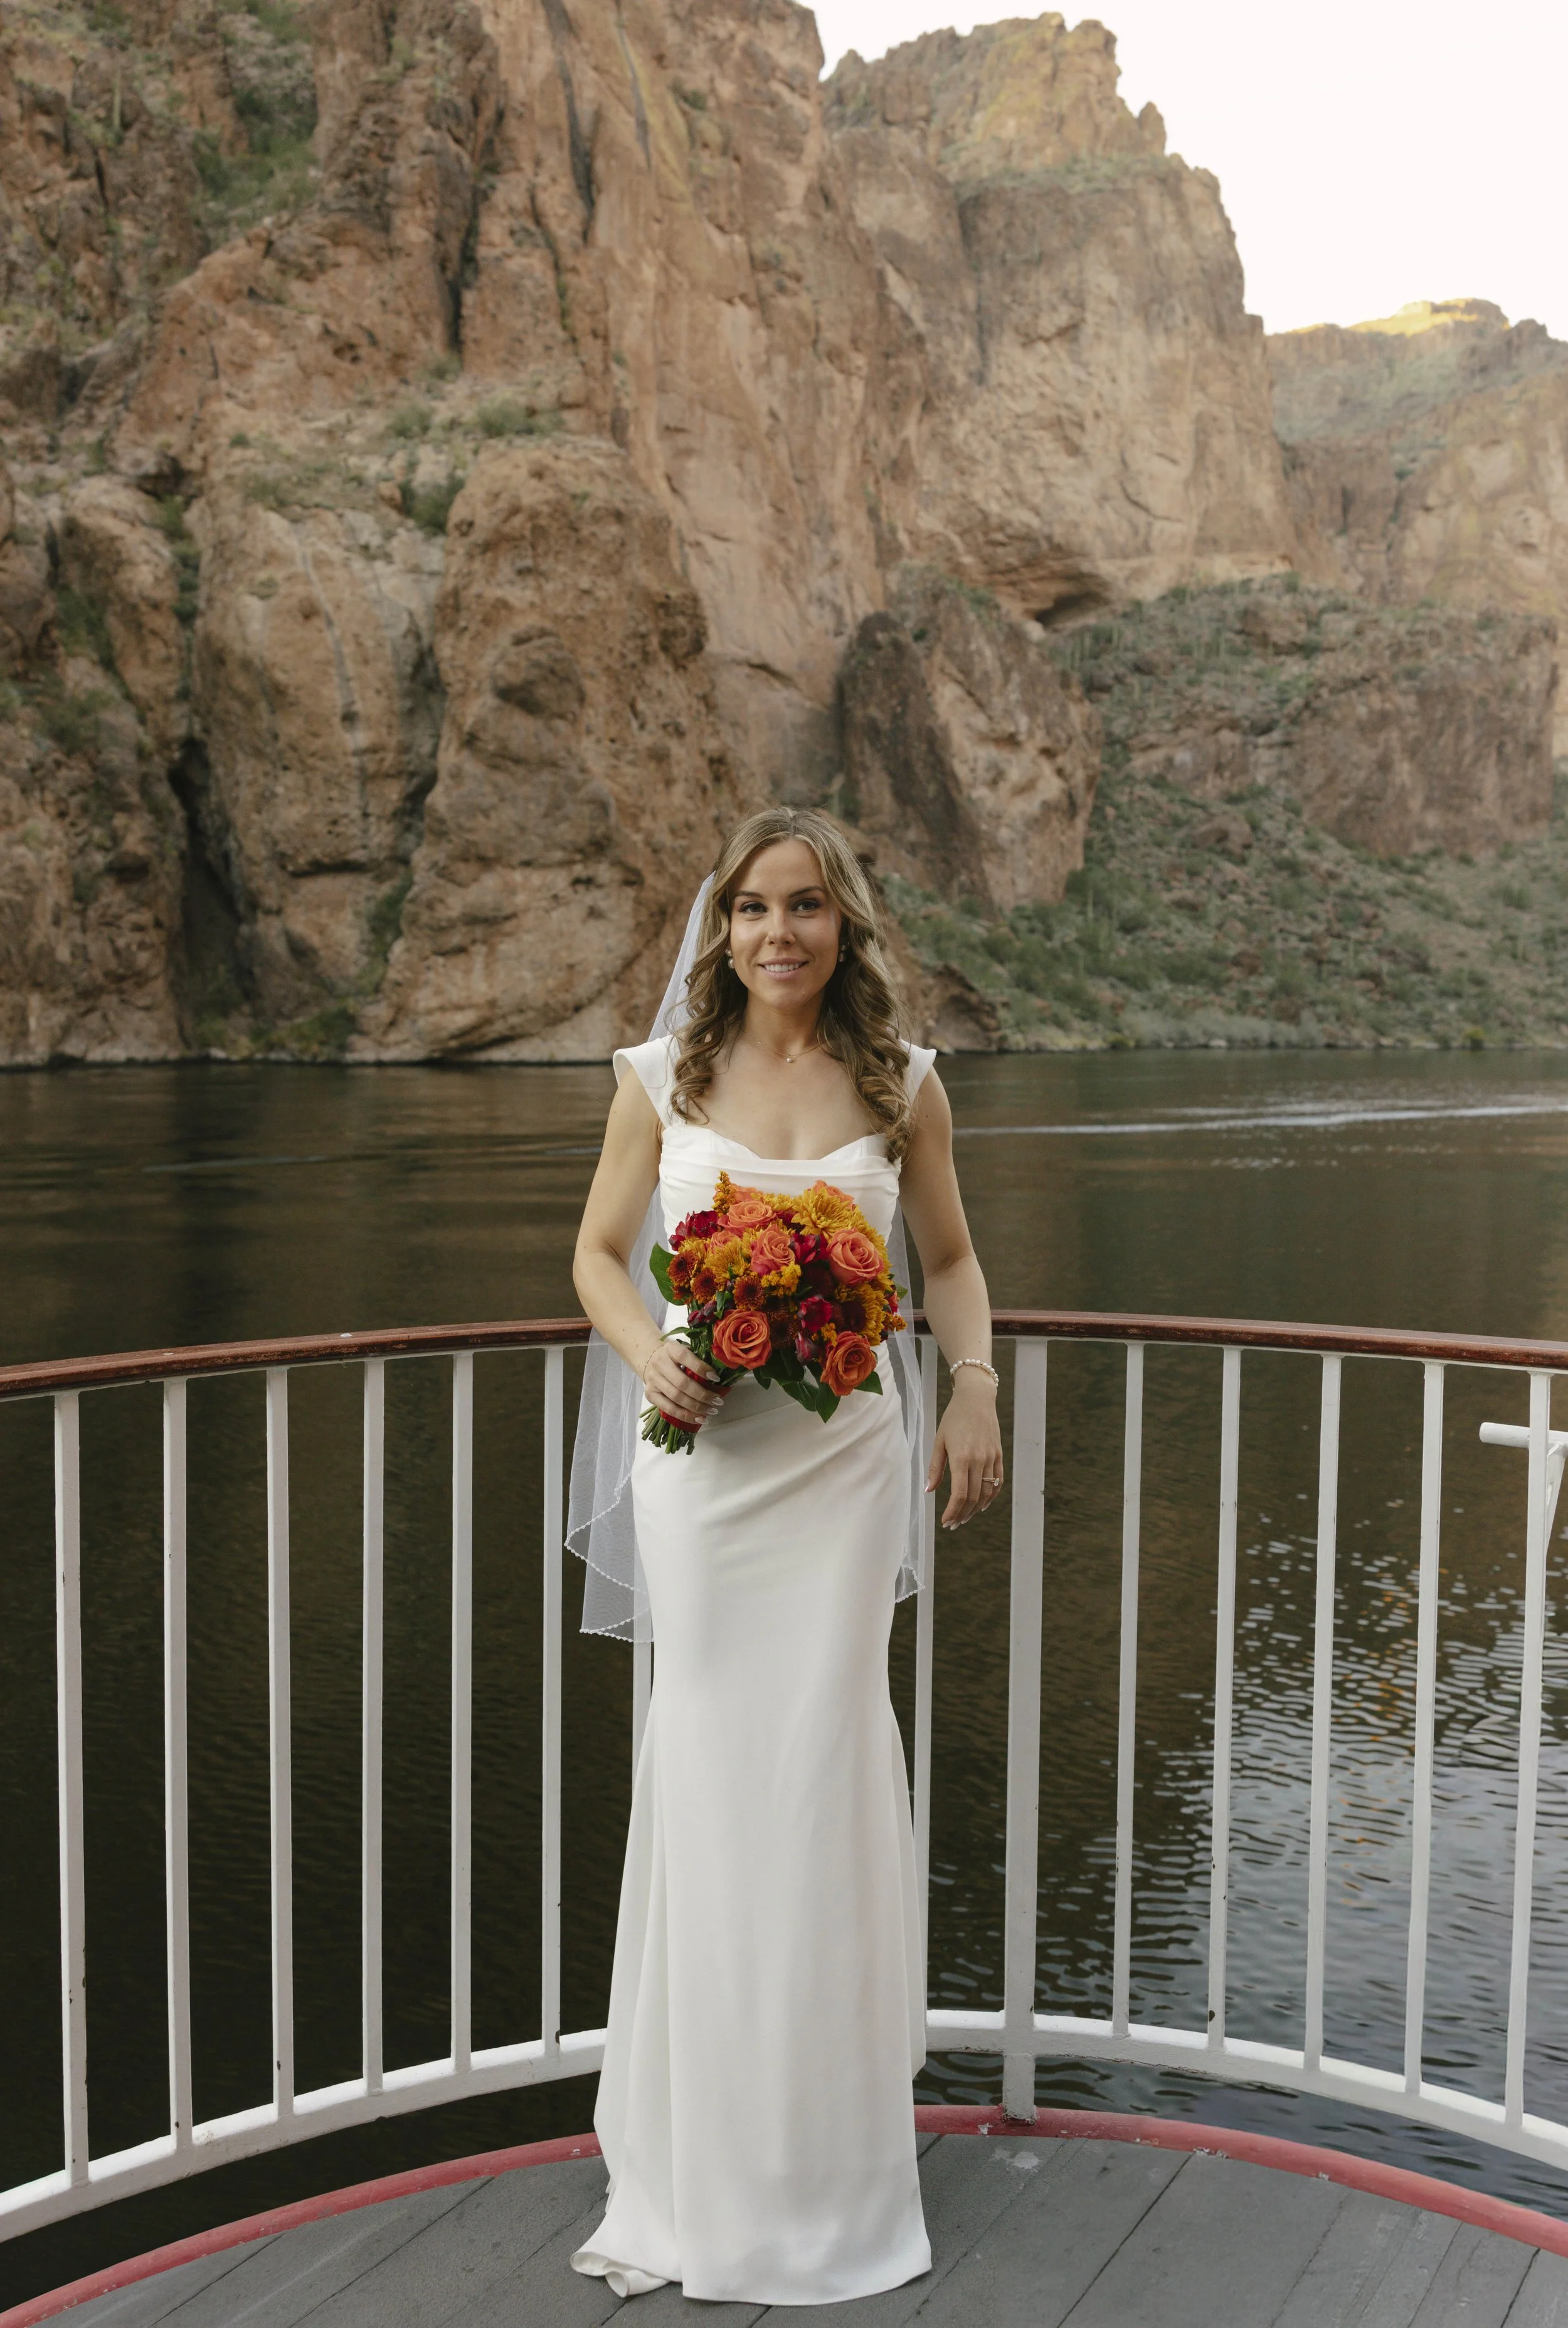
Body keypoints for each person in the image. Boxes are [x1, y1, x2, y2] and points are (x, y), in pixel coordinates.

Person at [568, 805, 1004, 2304]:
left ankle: (824, 2169)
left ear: (842, 924)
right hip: (702, 1472)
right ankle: (697, 2167)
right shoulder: (657, 1079)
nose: (777, 932)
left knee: (819, 1773)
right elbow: (593, 1254)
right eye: (752, 907)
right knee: (705, 1777)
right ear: (722, 928)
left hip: (835, 1474)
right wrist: (651, 1357)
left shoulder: (905, 1085)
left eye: (805, 906)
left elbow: (942, 1262)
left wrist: (974, 1392)